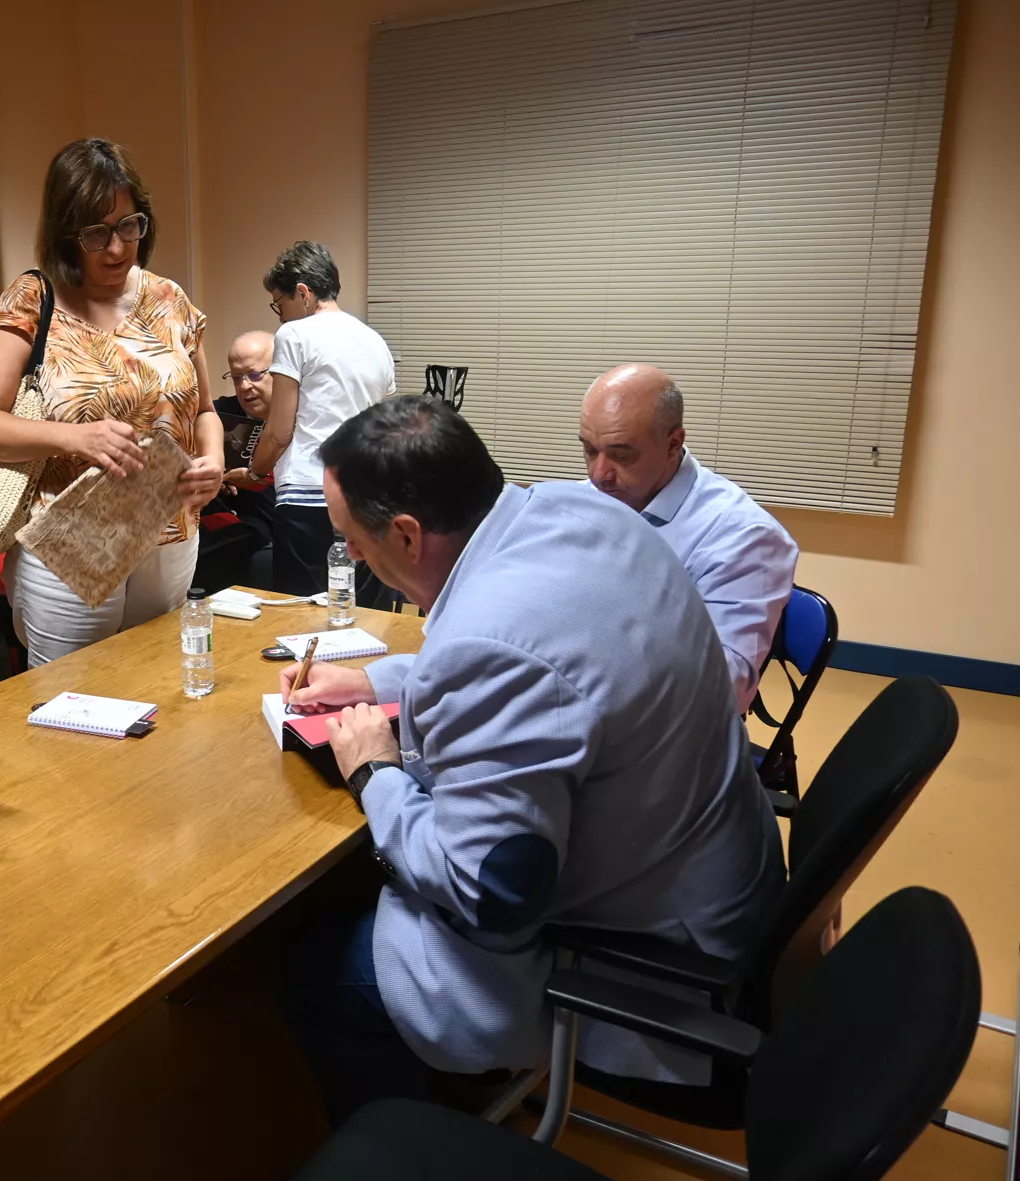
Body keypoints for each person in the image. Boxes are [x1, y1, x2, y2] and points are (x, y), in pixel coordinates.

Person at [277, 397, 783, 1124]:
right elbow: (569, 665)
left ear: (408, 535)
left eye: (352, 537)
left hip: (654, 960)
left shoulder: (490, 642)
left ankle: (411, 1144)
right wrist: (377, 680)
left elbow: (492, 890)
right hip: (719, 873)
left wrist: (374, 772)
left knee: (314, 967)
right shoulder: (585, 517)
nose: (351, 554)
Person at [0, 138, 224, 665]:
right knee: (72, 708)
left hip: (169, 531)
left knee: (160, 686)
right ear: (65, 234)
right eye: (96, 232)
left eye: (130, 225)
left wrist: (212, 461)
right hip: (74, 543)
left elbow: (205, 411)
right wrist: (76, 436)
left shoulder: (169, 300)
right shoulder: (34, 299)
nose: (117, 248)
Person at [579, 363, 799, 712]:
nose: (598, 474)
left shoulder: (743, 537)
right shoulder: (587, 498)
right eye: (590, 450)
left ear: (673, 444)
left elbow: (728, 687)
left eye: (622, 455)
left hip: (663, 726)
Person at [226, 241, 394, 596]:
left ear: (303, 293)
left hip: (307, 495)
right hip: (365, 499)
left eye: (280, 304)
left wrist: (255, 472)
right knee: (357, 610)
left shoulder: (295, 334)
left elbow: (281, 429)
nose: (281, 315)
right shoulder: (375, 341)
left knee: (299, 612)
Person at [196, 330, 277, 591]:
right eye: (236, 378)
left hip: (274, 522)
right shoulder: (219, 415)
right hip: (224, 514)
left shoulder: (304, 418)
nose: (244, 387)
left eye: (254, 375)